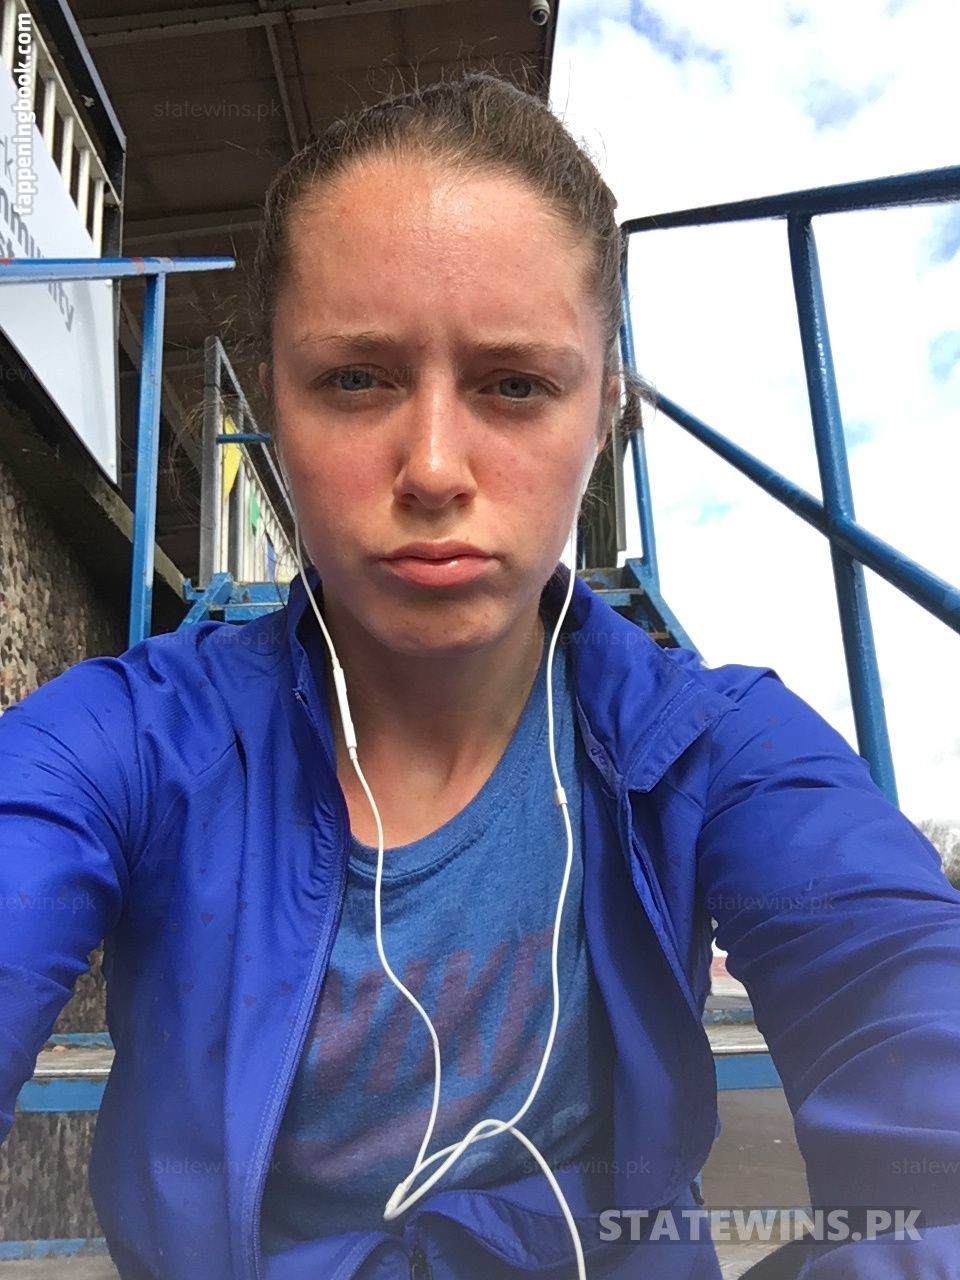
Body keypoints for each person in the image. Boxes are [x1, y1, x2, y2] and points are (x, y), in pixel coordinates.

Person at [2, 72, 960, 1280]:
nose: (435, 467)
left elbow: (907, 1011)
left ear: (604, 413)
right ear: (274, 404)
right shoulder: (126, 743)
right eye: (356, 377)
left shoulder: (723, 751)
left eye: (516, 383)